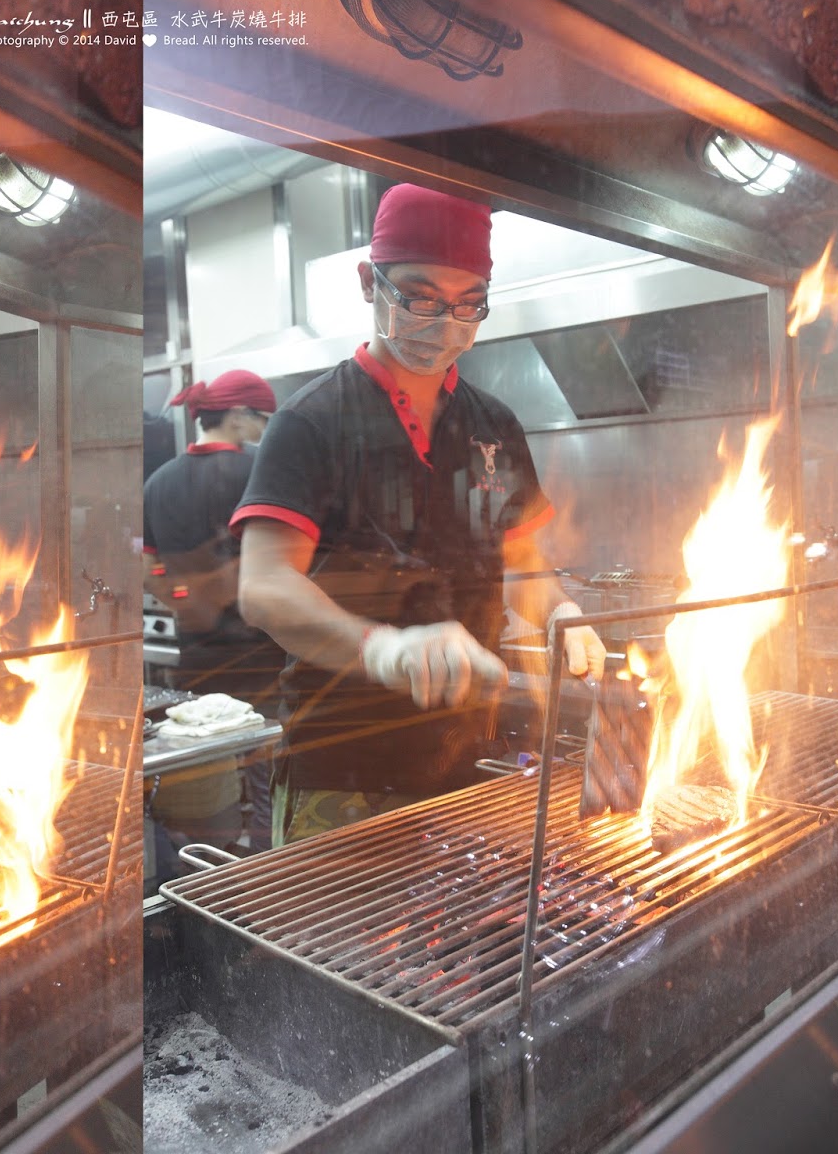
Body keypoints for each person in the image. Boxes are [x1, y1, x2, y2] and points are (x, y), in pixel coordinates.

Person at [233, 184, 605, 846]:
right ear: (367, 282)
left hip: (468, 756)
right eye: (420, 296)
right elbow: (263, 588)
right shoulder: (310, 422)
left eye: (468, 304)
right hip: (343, 770)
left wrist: (562, 613)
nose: (443, 325)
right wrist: (384, 648)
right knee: (344, 948)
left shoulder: (495, 424)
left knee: (465, 945)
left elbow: (522, 565)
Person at [143, 371, 285, 863]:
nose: (267, 431)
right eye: (263, 419)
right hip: (262, 653)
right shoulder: (260, 473)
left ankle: (199, 875)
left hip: (196, 654)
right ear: (239, 416)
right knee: (267, 773)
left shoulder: (158, 481)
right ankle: (267, 875)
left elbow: (148, 572)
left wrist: (186, 598)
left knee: (205, 774)